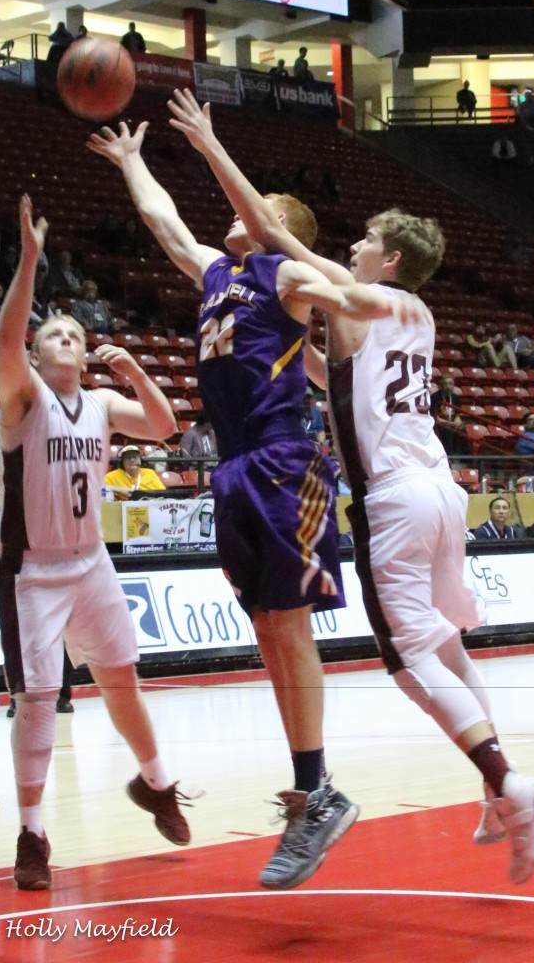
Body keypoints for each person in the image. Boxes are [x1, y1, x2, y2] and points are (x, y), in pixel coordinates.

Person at [166, 88, 534, 886]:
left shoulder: (369, 295)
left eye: (365, 241)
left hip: (394, 498)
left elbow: (275, 235)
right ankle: (495, 788)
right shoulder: (415, 317)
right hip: (442, 490)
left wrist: (212, 147)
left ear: (392, 261)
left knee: (410, 659)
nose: (351, 247)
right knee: (446, 637)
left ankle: (510, 782)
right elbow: (329, 373)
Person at [87, 115, 427, 893]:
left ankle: (316, 789)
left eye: (251, 208)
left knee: (289, 624)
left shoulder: (286, 275)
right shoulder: (218, 275)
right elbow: (163, 222)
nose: (230, 215)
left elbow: (350, 301)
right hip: (235, 468)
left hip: (283, 461)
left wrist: (354, 306)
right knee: (268, 628)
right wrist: (133, 162)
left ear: (271, 224)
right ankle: (312, 790)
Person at [0, 195, 192, 892]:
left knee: (121, 682)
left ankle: (157, 782)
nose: (67, 340)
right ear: (41, 354)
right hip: (31, 572)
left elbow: (166, 428)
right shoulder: (23, 399)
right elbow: (8, 339)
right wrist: (28, 261)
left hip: (91, 565)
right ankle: (31, 832)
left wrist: (135, 371)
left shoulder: (103, 404)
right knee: (38, 700)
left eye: (74, 334)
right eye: (56, 336)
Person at [429, 375, 468, 458]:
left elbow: (457, 414)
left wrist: (458, 420)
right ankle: (449, 458)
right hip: (438, 424)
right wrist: (450, 423)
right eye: (445, 384)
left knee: (464, 430)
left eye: (450, 384)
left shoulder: (455, 398)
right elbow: (434, 417)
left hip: (451, 423)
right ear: (440, 386)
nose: (448, 386)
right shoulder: (434, 398)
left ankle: (465, 460)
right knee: (447, 431)